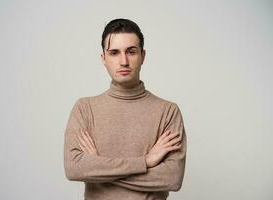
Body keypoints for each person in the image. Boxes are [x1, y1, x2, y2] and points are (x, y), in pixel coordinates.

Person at [64, 18, 187, 200]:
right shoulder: (84, 108)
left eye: (131, 52)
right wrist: (145, 162)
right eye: (114, 53)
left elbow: (173, 178)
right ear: (103, 58)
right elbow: (74, 168)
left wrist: (98, 167)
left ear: (143, 56)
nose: (123, 61)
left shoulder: (168, 111)